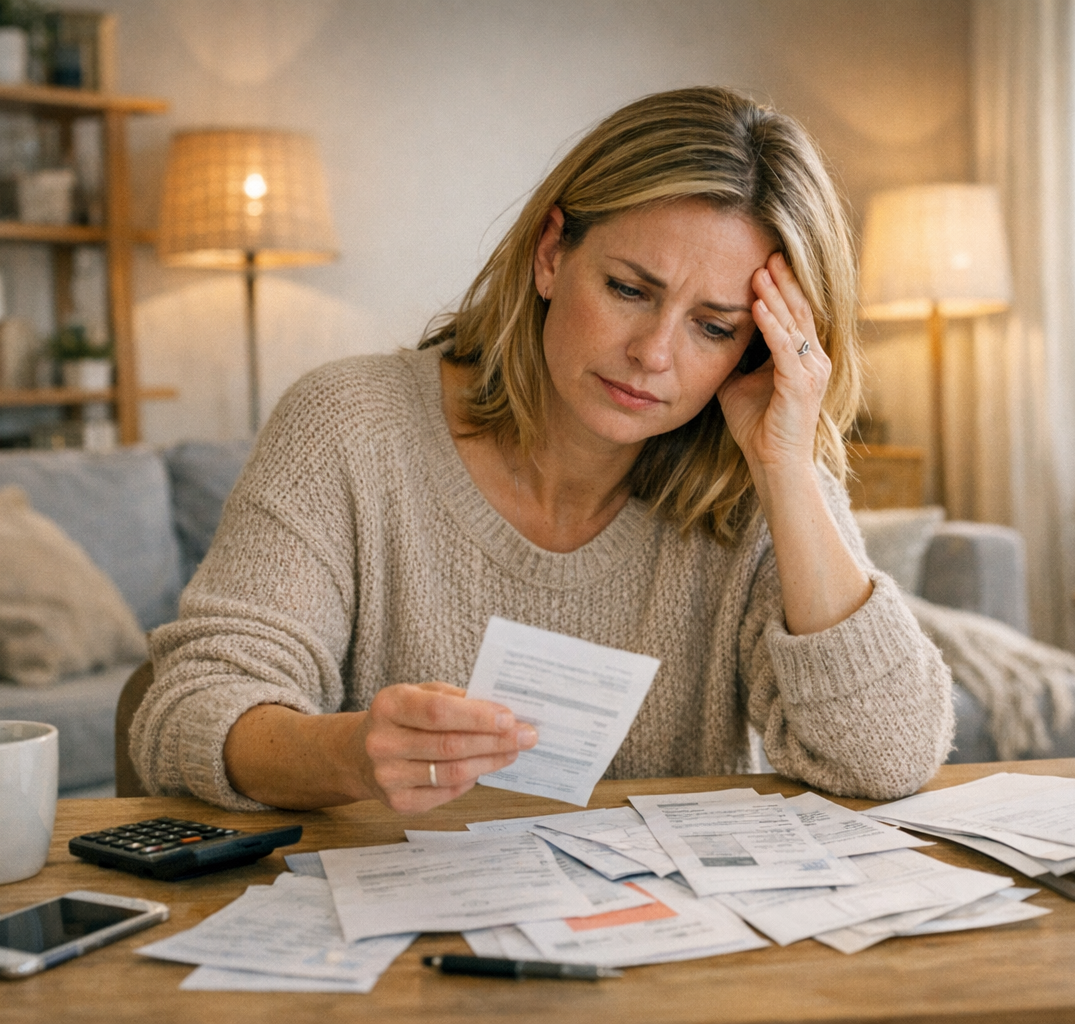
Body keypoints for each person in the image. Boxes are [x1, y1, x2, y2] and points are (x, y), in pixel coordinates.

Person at [131, 85, 954, 814]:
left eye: (714, 327)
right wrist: (351, 754)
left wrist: (787, 469)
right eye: (630, 290)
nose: (654, 354)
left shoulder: (760, 474)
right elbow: (190, 708)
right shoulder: (349, 424)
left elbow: (885, 759)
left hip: (666, 950)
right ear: (553, 251)